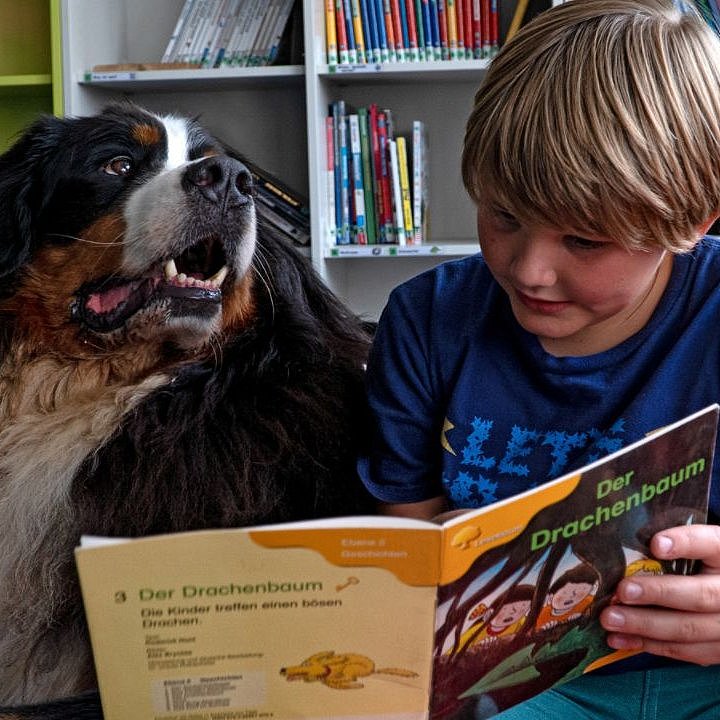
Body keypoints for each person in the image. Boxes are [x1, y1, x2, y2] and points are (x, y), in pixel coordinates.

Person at [358, 0, 720, 717]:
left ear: (691, 222)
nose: (528, 270)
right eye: (503, 216)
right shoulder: (427, 321)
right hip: (519, 683)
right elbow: (409, 550)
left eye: (583, 242)